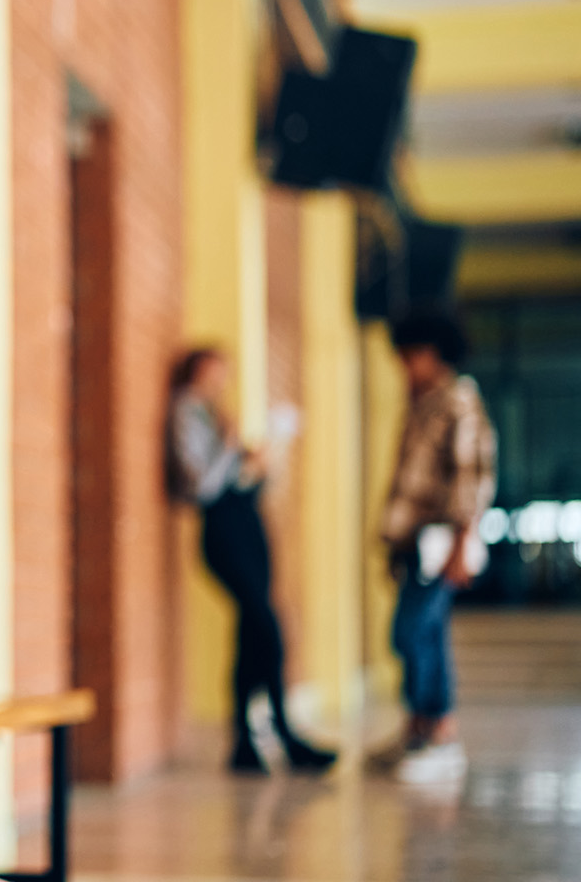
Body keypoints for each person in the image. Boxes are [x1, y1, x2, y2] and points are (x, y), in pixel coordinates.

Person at [166, 348, 337, 775]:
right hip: (223, 533)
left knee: (250, 635)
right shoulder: (187, 413)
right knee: (267, 627)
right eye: (214, 372)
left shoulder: (213, 413)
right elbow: (202, 485)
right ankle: (282, 730)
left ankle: (245, 741)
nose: (221, 381)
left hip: (247, 527)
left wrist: (257, 461)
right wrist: (229, 446)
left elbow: (236, 477)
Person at [379, 309, 496, 785]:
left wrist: (461, 545)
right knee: (425, 634)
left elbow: (472, 474)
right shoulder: (421, 401)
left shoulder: (458, 400)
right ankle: (419, 728)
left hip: (440, 542)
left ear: (431, 353)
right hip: (413, 541)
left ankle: (441, 732)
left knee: (409, 633)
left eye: (409, 357)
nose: (404, 367)